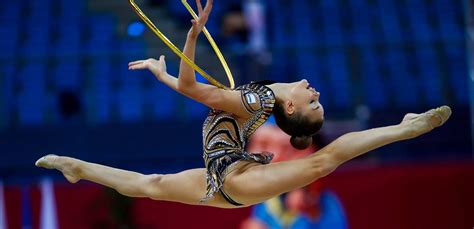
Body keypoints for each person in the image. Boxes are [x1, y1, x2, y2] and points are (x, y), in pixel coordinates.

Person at [35, 0, 452, 209]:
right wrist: (163, 75)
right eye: (319, 101)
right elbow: (191, 89)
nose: (317, 93)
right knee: (151, 186)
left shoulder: (260, 98)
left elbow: (194, 90)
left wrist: (194, 36)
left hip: (235, 175)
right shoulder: (264, 97)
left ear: (291, 108)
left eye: (313, 103)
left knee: (321, 164)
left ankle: (405, 128)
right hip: (223, 175)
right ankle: (77, 168)